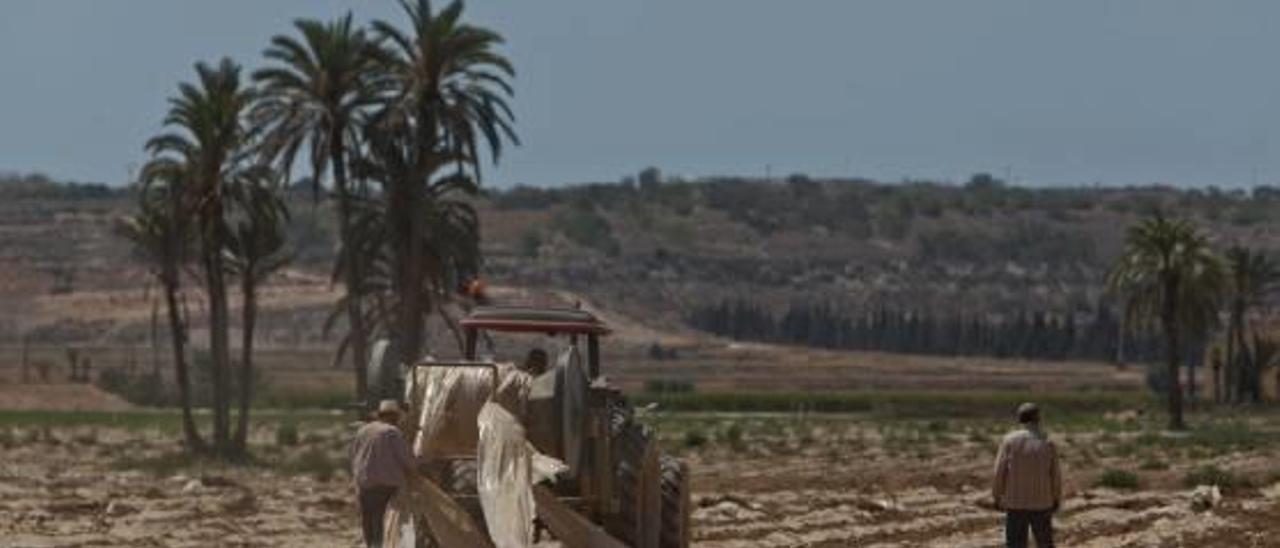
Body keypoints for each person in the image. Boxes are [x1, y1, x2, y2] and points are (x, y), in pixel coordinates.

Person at [993, 402, 1062, 548]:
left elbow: (999, 472)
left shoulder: (1009, 441)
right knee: (1045, 543)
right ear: (1038, 418)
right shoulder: (1048, 442)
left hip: (1015, 503)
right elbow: (1055, 476)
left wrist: (997, 496)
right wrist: (1056, 498)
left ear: (1020, 419)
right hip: (1042, 503)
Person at [350, 399, 417, 548]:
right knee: (382, 519)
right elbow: (407, 459)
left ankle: (370, 545)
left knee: (367, 519)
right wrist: (418, 467)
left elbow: (354, 454)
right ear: (394, 416)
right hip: (384, 483)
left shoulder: (363, 430)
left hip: (363, 482)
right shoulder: (392, 433)